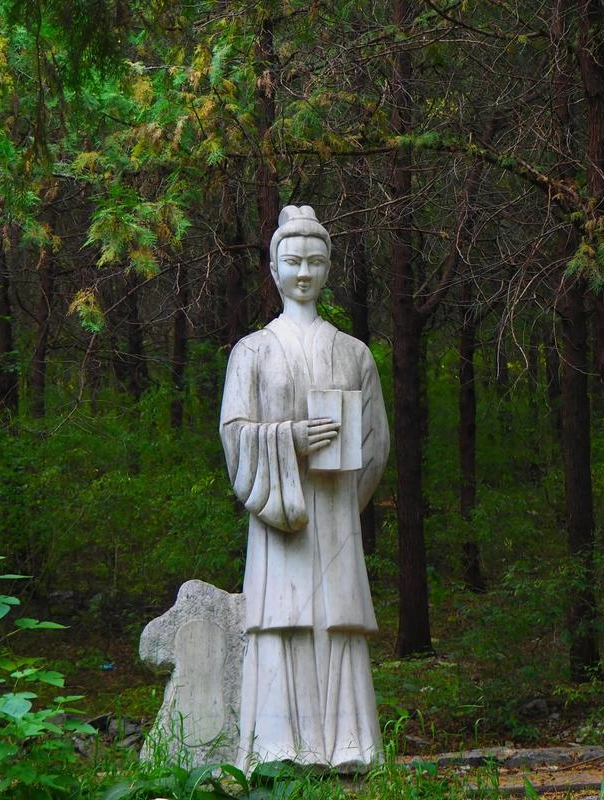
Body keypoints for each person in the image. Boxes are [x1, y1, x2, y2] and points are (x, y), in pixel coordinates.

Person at [219, 205, 390, 772]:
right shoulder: (253, 351)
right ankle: (277, 750)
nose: (303, 272)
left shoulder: (354, 354)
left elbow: (374, 443)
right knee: (281, 623)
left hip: (335, 515)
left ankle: (349, 747)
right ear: (272, 268)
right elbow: (235, 433)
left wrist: (342, 501)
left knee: (336, 623)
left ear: (328, 268)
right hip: (280, 515)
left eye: (315, 261)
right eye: (292, 261)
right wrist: (290, 439)